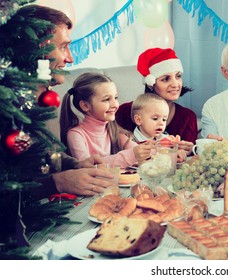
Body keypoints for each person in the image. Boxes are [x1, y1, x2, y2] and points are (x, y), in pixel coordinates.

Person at [4, 5, 117, 198]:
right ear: (36, 50)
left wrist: (76, 165)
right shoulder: (8, 109)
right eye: (63, 47)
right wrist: (59, 182)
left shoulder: (47, 100)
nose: (70, 59)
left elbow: (48, 156)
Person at [60, 72, 153, 168]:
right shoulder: (75, 134)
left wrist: (153, 147)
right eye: (106, 99)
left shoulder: (113, 130)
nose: (115, 105)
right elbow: (88, 167)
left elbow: (136, 150)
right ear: (85, 105)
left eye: (115, 97)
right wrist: (132, 154)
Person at [115, 48, 196, 151]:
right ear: (151, 84)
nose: (175, 84)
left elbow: (186, 159)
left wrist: (190, 151)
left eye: (178, 76)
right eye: (166, 79)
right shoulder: (124, 112)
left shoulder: (188, 117)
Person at [131, 93, 187, 162]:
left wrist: (177, 152)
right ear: (138, 120)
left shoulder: (164, 138)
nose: (161, 123)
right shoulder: (131, 142)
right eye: (155, 118)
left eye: (164, 119)